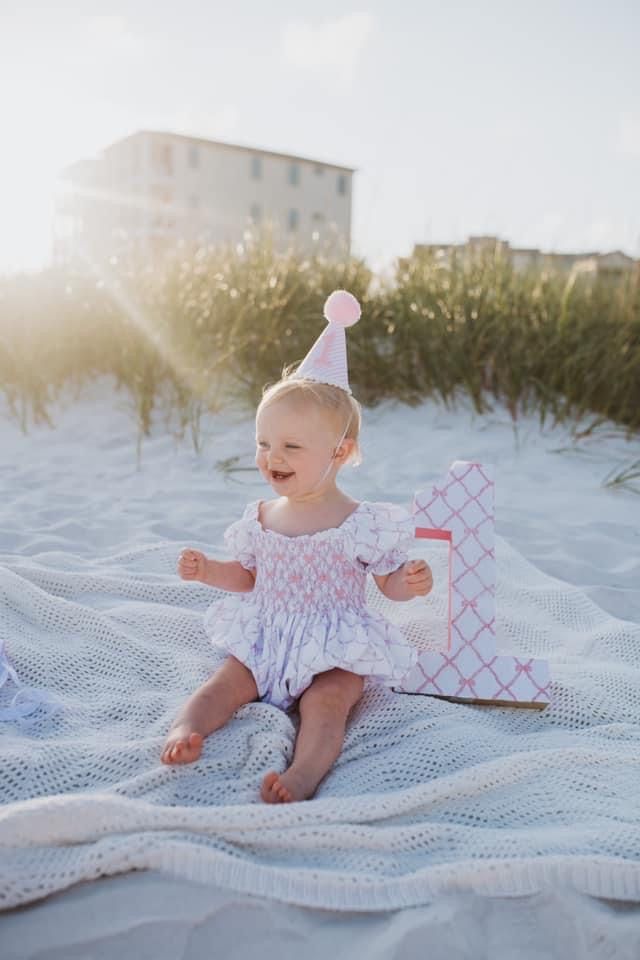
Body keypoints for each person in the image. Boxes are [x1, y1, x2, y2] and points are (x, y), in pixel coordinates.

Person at [161, 291, 433, 802]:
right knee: (223, 684)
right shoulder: (263, 517)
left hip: (334, 644)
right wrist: (208, 571)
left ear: (340, 452)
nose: (271, 457)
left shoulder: (358, 522)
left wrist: (409, 583)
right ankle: (185, 731)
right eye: (264, 443)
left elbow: (386, 585)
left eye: (290, 446)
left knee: (328, 703)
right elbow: (247, 578)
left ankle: (303, 774)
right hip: (268, 633)